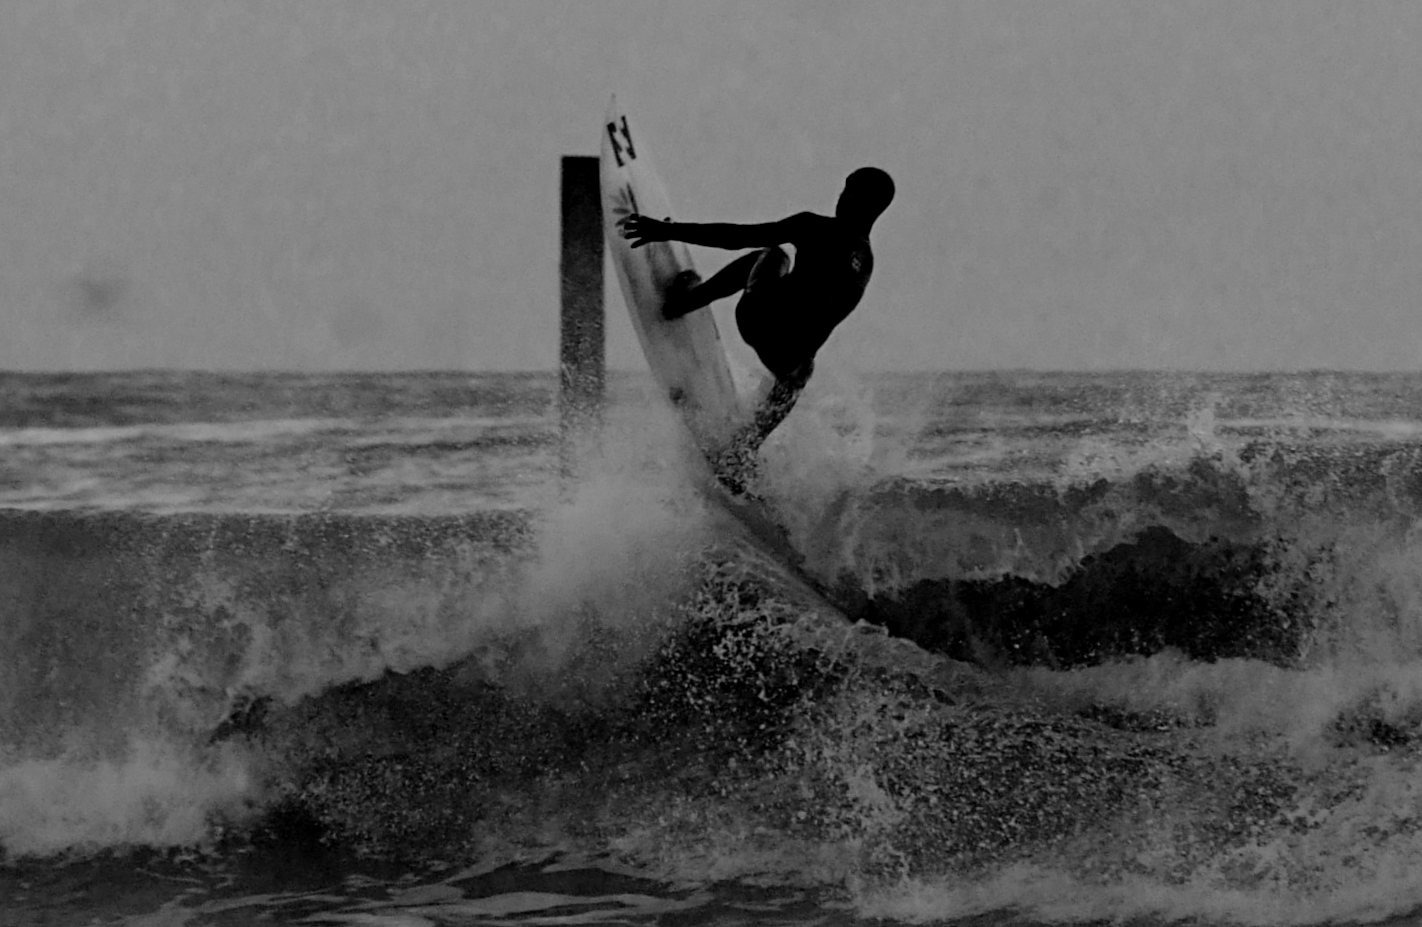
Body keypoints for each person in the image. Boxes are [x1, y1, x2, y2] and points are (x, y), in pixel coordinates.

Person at [620, 166, 894, 493]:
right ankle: (745, 448)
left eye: (848, 191)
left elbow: (736, 237)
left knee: (772, 254)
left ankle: (684, 302)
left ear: (861, 201)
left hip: (759, 322)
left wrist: (668, 232)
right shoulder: (865, 260)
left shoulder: (815, 228)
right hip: (787, 361)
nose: (841, 196)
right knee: (802, 370)